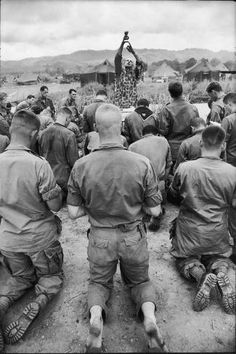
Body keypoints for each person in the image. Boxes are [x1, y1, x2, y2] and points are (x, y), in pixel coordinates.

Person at [67, 103, 168, 353]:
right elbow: (155, 211)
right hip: (133, 236)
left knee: (99, 283)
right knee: (140, 281)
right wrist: (136, 207)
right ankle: (150, 319)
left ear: (94, 128)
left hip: (100, 237)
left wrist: (94, 209)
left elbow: (72, 212)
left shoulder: (81, 166)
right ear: (121, 127)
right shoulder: (142, 162)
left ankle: (95, 318)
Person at [0, 110, 63, 352]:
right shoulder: (39, 165)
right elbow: (55, 206)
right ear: (35, 133)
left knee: (22, 277)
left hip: (8, 242)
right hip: (39, 240)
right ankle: (40, 299)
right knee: (51, 277)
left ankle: (4, 302)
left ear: (11, 130)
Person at [169, 125, 236, 314]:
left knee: (184, 259)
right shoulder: (232, 172)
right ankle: (221, 274)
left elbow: (173, 196)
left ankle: (200, 276)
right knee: (219, 258)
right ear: (223, 146)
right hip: (217, 231)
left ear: (200, 143)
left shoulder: (185, 168)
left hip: (189, 231)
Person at [129, 125, 172, 231]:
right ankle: (157, 211)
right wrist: (164, 179)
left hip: (140, 185)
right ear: (156, 133)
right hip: (159, 184)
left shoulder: (133, 146)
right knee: (159, 197)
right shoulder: (163, 141)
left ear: (142, 135)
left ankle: (145, 212)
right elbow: (169, 164)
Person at [38, 106, 78, 202]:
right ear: (67, 119)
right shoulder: (69, 134)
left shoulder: (43, 133)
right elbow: (74, 162)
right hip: (64, 180)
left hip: (47, 178)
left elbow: (40, 156)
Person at [158, 81, 199, 167]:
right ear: (182, 91)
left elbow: (163, 131)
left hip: (173, 148)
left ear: (170, 93)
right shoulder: (193, 108)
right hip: (190, 147)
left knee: (173, 175)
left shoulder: (166, 110)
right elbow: (198, 128)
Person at [221, 93, 236, 265]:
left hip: (232, 165)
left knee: (233, 206)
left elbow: (222, 144)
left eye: (227, 106)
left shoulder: (229, 120)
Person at [114, 34, 145, 109]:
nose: (128, 62)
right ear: (124, 64)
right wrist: (122, 43)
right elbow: (117, 58)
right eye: (127, 61)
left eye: (130, 61)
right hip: (120, 107)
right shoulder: (120, 73)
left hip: (132, 106)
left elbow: (140, 63)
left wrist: (133, 52)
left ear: (133, 65)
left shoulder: (135, 74)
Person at [221, 92, 236, 167]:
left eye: (225, 106)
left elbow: (222, 144)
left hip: (231, 161)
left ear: (229, 104)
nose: (225, 109)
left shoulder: (228, 120)